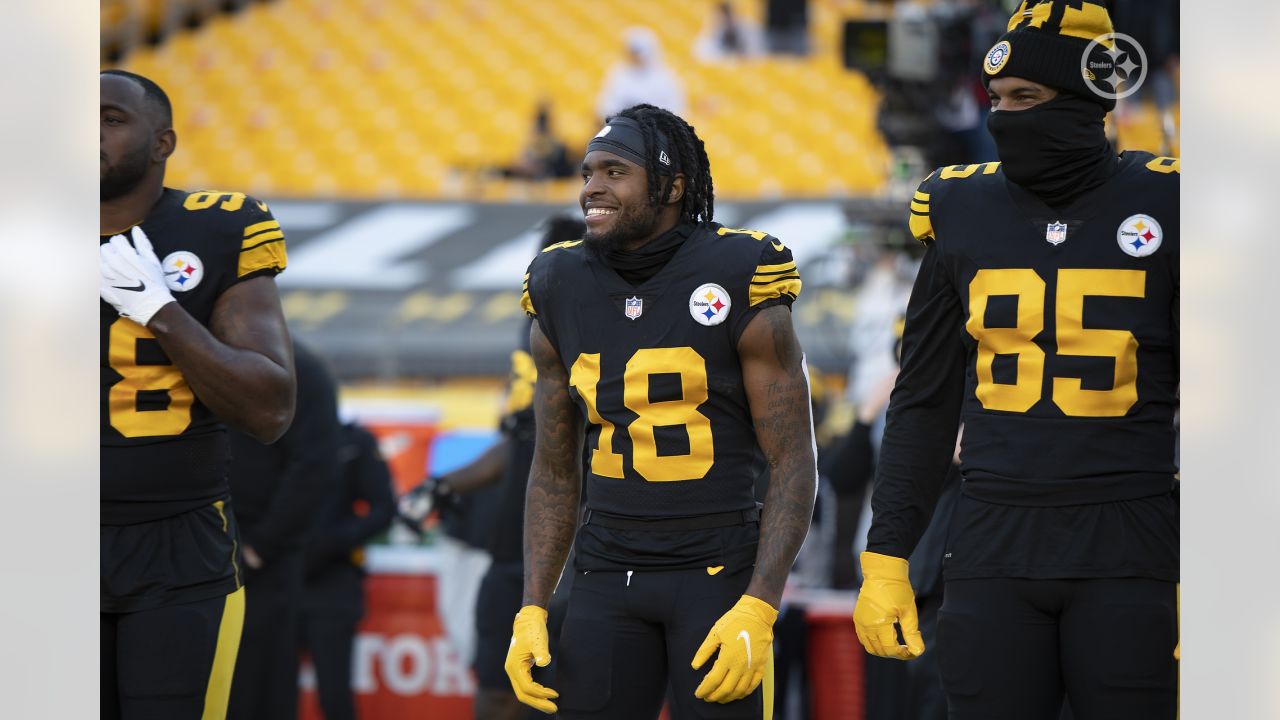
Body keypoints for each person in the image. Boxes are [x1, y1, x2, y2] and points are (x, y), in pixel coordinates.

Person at [850, 2, 1179, 719]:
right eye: (996, 100)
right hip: (990, 535)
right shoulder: (961, 205)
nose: (1005, 117)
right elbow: (924, 400)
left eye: (1026, 98)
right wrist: (887, 554)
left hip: (1130, 533)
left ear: (1087, 98)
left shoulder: (1172, 198)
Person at [505, 103, 818, 719]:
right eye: (589, 172)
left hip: (719, 572)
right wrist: (533, 605)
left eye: (615, 172)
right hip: (604, 572)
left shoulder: (739, 270)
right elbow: (554, 470)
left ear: (673, 187)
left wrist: (761, 600)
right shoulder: (558, 279)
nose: (592, 187)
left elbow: (794, 459)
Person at [100, 69, 295, 719]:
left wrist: (162, 311)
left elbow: (269, 410)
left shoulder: (217, 227)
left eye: (110, 117)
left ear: (163, 142)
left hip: (178, 545)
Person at [400, 214, 586, 720]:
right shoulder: (533, 334)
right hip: (514, 550)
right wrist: (440, 486)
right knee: (497, 687)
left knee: (566, 698)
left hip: (581, 557)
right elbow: (520, 443)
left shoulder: (608, 339)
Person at [226, 339, 342, 719]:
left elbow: (315, 464)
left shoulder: (300, 369)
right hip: (207, 543)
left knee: (260, 680)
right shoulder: (201, 353)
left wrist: (263, 545)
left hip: (261, 557)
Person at [298, 420, 397, 720]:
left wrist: (334, 541)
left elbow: (385, 507)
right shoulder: (265, 433)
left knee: (335, 693)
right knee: (267, 692)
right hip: (277, 579)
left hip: (332, 582)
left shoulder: (352, 441)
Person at [596, 28, 687, 121]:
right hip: (624, 127)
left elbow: (677, 110)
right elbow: (607, 107)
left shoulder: (667, 78)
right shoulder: (618, 74)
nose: (634, 57)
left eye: (637, 53)